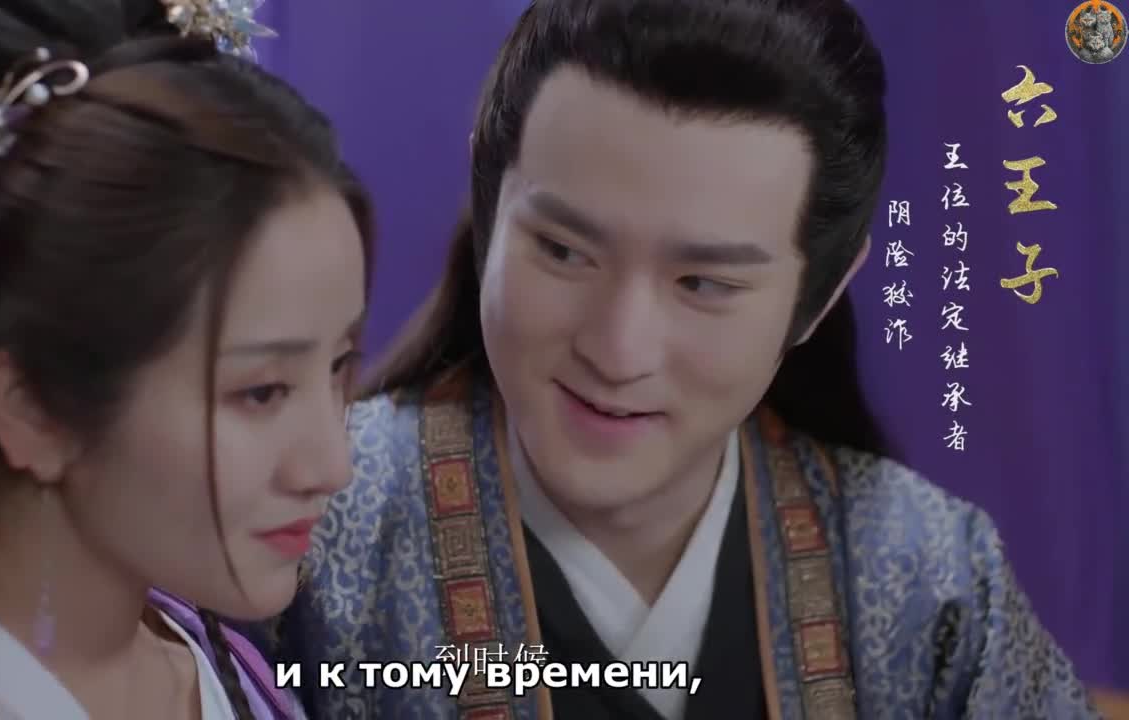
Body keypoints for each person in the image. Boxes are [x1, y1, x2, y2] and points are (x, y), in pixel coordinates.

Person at [274, 1, 1098, 719]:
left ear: (818, 295)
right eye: (563, 250)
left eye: (704, 284)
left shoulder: (931, 579)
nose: (617, 350)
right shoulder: (300, 529)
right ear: (491, 209)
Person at [0, 0, 371, 718]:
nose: (332, 466)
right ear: (33, 405)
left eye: (338, 367)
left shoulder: (224, 668)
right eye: (262, 392)